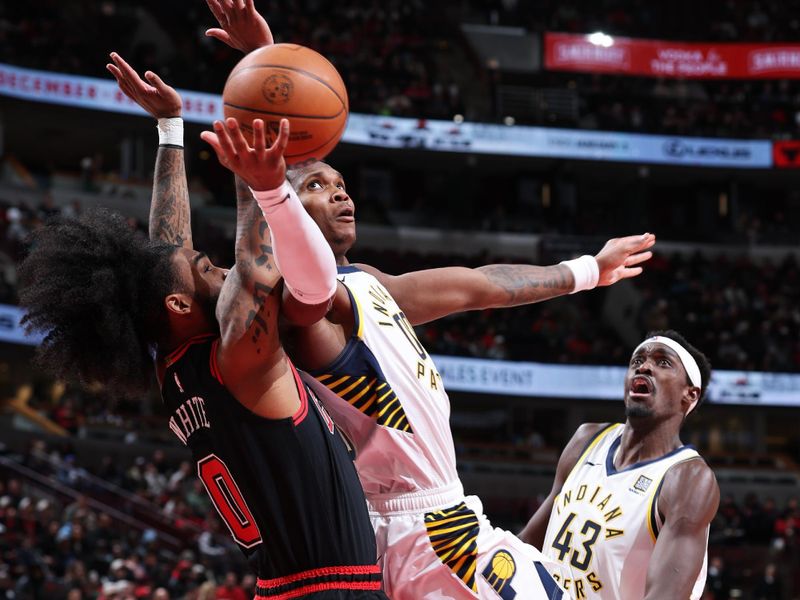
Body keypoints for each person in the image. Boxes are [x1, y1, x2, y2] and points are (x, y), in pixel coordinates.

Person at [190, 4, 657, 598]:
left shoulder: (367, 282)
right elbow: (290, 261)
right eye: (316, 187)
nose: (340, 194)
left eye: (340, 185)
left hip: (437, 521)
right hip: (416, 532)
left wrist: (589, 270)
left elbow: (475, 284)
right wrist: (267, 184)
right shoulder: (308, 306)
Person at [18, 116, 388, 598]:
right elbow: (255, 268)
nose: (222, 268)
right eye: (209, 269)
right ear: (179, 305)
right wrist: (253, 170)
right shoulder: (238, 356)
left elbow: (166, 254)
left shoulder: (173, 363)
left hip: (289, 586)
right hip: (331, 589)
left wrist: (170, 130)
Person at [519, 330, 720, 600]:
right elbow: (529, 545)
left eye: (663, 362)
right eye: (637, 361)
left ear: (689, 394)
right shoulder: (586, 440)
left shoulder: (687, 477)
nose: (645, 366)